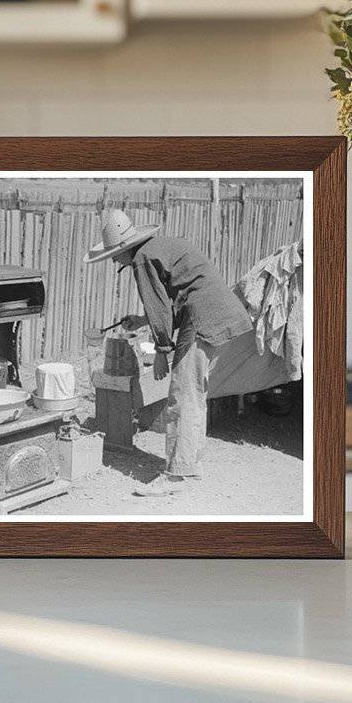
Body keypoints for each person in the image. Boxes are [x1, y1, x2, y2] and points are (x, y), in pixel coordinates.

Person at [84, 209, 254, 497]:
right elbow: (174, 298)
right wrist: (141, 321)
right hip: (216, 313)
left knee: (182, 394)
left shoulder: (142, 259)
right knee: (194, 394)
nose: (114, 259)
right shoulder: (158, 247)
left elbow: (163, 307)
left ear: (126, 249)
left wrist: (163, 349)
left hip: (203, 318)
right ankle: (190, 465)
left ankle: (176, 475)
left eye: (114, 254)